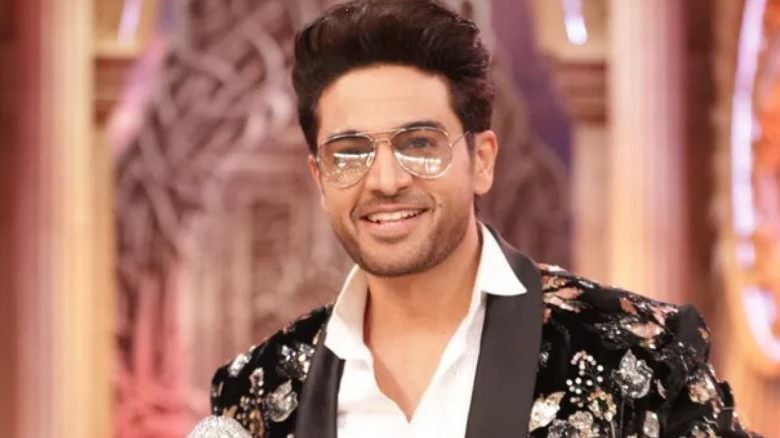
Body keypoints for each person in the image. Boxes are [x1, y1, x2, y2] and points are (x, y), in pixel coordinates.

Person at [207, 1, 759, 437]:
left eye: (419, 144)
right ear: (319, 175)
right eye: (349, 152)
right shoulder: (259, 391)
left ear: (483, 161)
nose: (385, 180)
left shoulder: (639, 356)